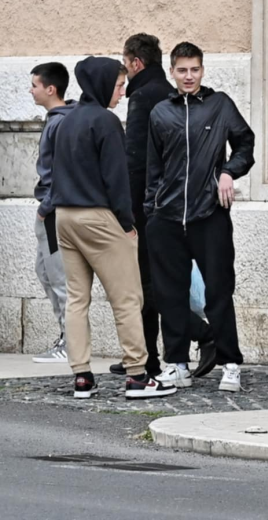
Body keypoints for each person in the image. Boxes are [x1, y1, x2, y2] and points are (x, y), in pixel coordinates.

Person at [51, 57, 176, 400]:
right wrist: (127, 223)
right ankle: (138, 375)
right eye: (119, 85)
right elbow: (117, 179)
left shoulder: (66, 120)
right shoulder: (105, 121)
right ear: (104, 84)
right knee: (128, 297)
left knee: (77, 299)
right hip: (98, 216)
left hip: (65, 216)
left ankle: (81, 377)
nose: (122, 93)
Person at [146, 42, 256, 393]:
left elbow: (245, 144)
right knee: (169, 295)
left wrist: (228, 173)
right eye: (182, 70)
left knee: (219, 292)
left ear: (203, 70)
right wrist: (152, 212)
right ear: (172, 72)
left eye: (194, 69)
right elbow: (153, 169)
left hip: (210, 215)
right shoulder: (160, 113)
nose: (189, 76)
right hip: (167, 218)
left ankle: (230, 364)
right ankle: (177, 364)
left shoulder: (220, 105)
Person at [114, 33, 215, 380]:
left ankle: (200, 335)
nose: (124, 75)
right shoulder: (174, 95)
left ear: (136, 63)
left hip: (150, 207)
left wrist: (128, 210)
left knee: (148, 285)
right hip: (179, 201)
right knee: (155, 282)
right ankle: (147, 356)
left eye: (125, 65)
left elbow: (137, 161)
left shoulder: (143, 97)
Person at [29, 62, 75, 363]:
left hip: (55, 212)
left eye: (34, 85)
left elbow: (61, 172)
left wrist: (46, 208)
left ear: (50, 88)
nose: (30, 91)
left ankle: (70, 342)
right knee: (44, 272)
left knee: (59, 278)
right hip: (50, 209)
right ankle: (66, 335)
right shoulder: (57, 120)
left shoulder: (60, 123)